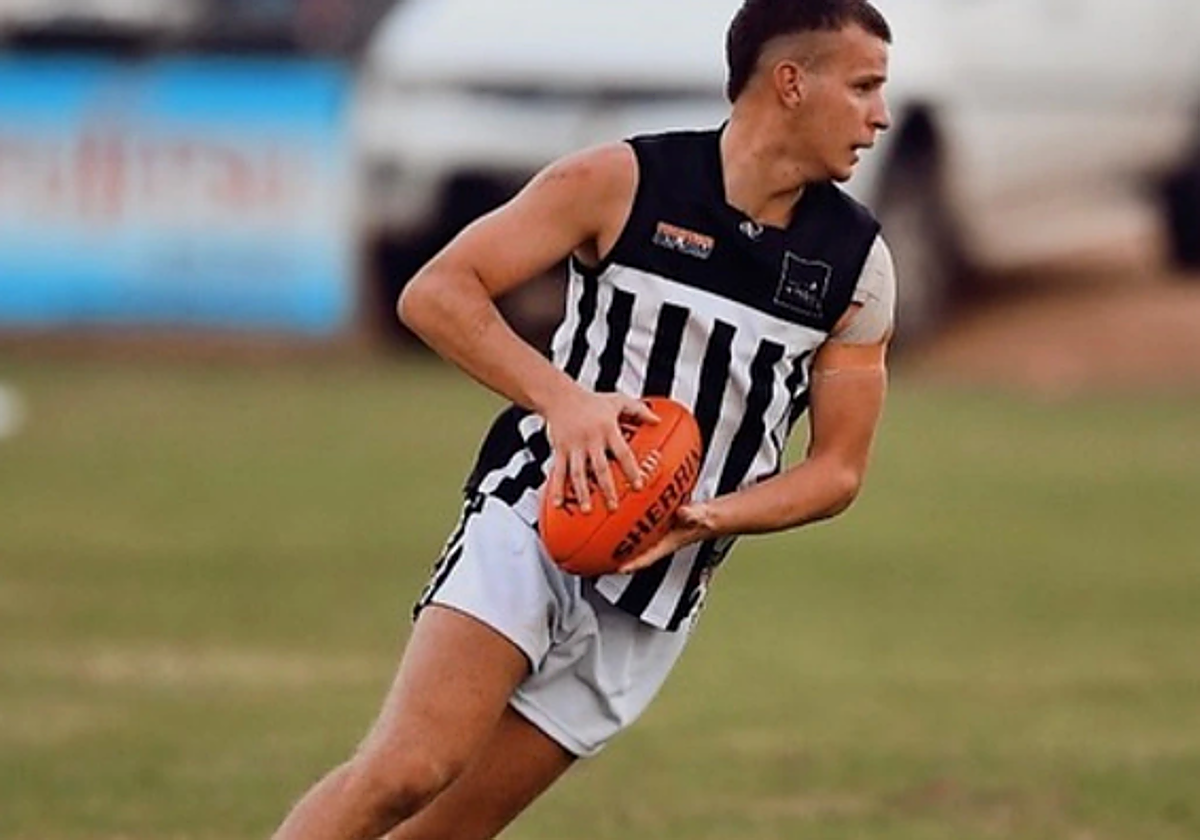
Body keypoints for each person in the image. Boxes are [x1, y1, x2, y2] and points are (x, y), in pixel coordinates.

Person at [271, 1, 895, 838]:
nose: (879, 116)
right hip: (535, 515)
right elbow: (436, 294)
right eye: (862, 87)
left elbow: (839, 471)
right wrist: (564, 404)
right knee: (407, 770)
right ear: (791, 82)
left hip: (657, 588)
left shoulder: (857, 264)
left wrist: (704, 518)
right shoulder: (622, 182)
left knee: (448, 832)